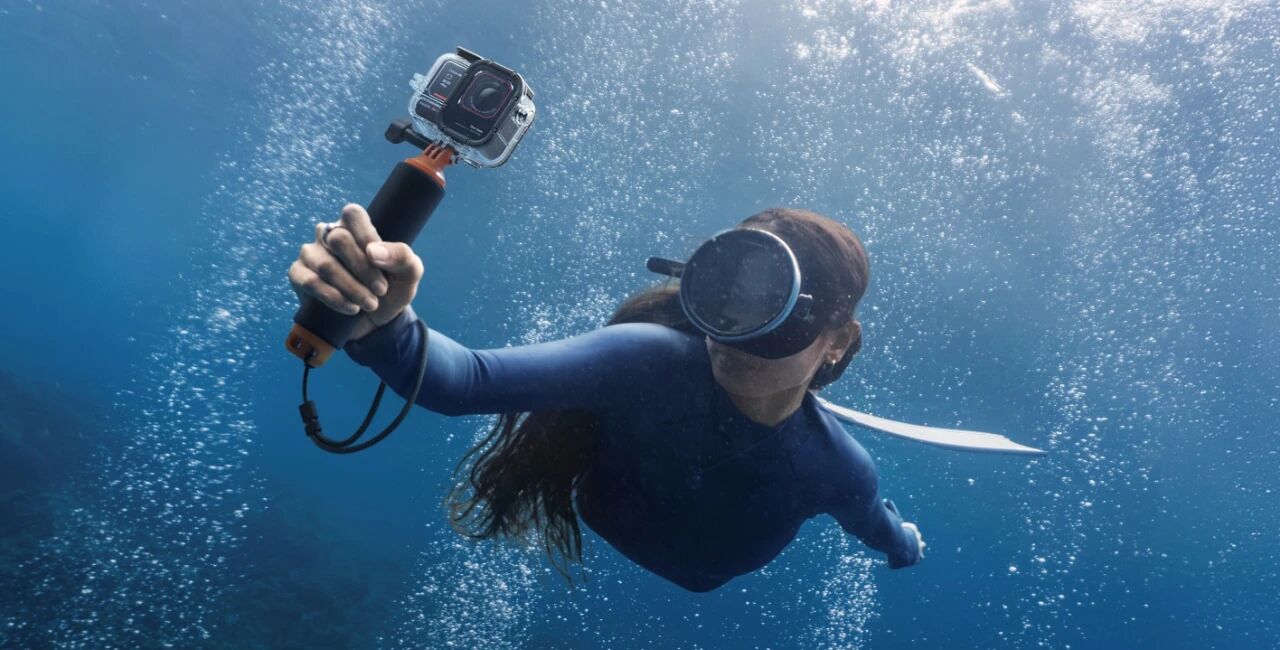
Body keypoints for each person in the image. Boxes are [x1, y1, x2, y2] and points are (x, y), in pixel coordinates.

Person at [288, 205, 925, 592]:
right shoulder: (650, 360)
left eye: (773, 317)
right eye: (724, 300)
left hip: (697, 571)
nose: (731, 337)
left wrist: (906, 545)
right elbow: (467, 381)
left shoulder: (838, 467)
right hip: (625, 521)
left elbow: (878, 527)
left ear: (837, 342)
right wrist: (382, 321)